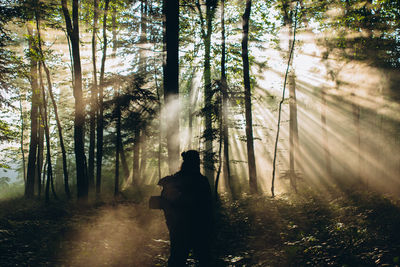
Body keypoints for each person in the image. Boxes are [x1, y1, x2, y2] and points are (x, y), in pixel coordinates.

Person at [158, 150, 214, 267]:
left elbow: (165, 203)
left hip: (182, 228)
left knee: (178, 259)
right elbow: (208, 207)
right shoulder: (201, 181)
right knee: (203, 259)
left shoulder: (175, 180)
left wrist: (171, 222)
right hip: (197, 228)